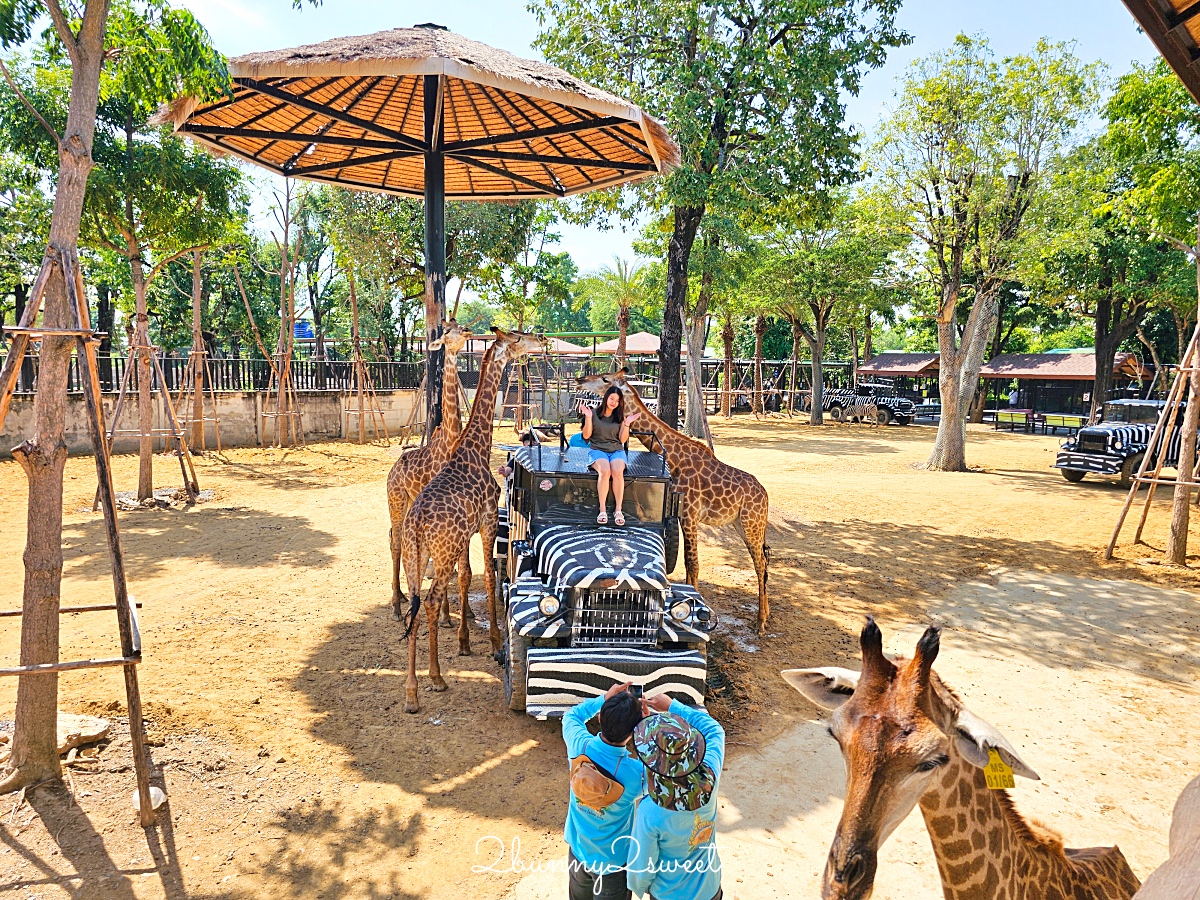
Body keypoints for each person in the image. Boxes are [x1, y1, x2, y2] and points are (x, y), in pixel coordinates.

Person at [626, 696, 726, 900]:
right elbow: (715, 730)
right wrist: (673, 707)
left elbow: (641, 868)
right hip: (710, 889)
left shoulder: (650, 811)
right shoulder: (709, 778)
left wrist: (641, 888)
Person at [563, 681, 647, 900]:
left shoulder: (578, 746)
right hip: (613, 865)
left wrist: (603, 698)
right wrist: (647, 729)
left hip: (578, 853)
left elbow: (571, 716)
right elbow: (660, 777)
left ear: (600, 718)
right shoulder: (634, 775)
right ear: (633, 732)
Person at [578, 386, 638, 526]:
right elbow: (586, 436)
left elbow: (622, 440)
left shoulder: (620, 417)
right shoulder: (593, 413)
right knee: (605, 471)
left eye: (617, 400)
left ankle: (618, 509)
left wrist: (627, 424)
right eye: (612, 398)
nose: (614, 402)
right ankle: (602, 509)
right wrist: (588, 418)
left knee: (617, 471)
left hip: (616, 450)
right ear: (606, 398)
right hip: (597, 450)